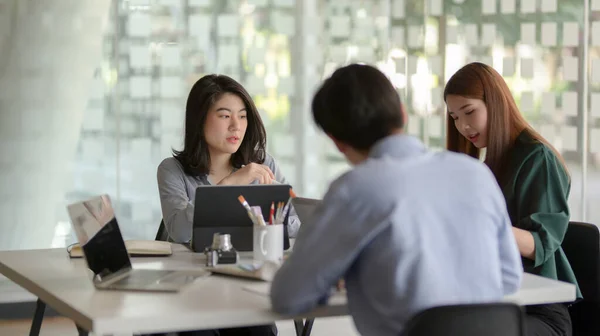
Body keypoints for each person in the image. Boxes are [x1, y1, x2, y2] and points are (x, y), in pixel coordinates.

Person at [269, 64, 523, 336]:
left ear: (337, 141)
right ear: (402, 114)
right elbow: (508, 277)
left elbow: (288, 297)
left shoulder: (355, 188)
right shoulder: (476, 174)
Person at [444, 62, 581, 336]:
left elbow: (540, 243)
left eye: (469, 112)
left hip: (538, 311)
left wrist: (480, 224)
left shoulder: (537, 157)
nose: (463, 125)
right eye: (455, 117)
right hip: (495, 300)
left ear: (495, 103)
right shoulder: (487, 164)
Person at [157, 74, 298, 336]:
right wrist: (232, 183)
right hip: (191, 290)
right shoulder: (173, 170)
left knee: (260, 332)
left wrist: (280, 203)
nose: (236, 126)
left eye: (242, 116)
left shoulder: (264, 165)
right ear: (199, 121)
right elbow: (179, 230)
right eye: (224, 116)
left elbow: (293, 229)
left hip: (245, 285)